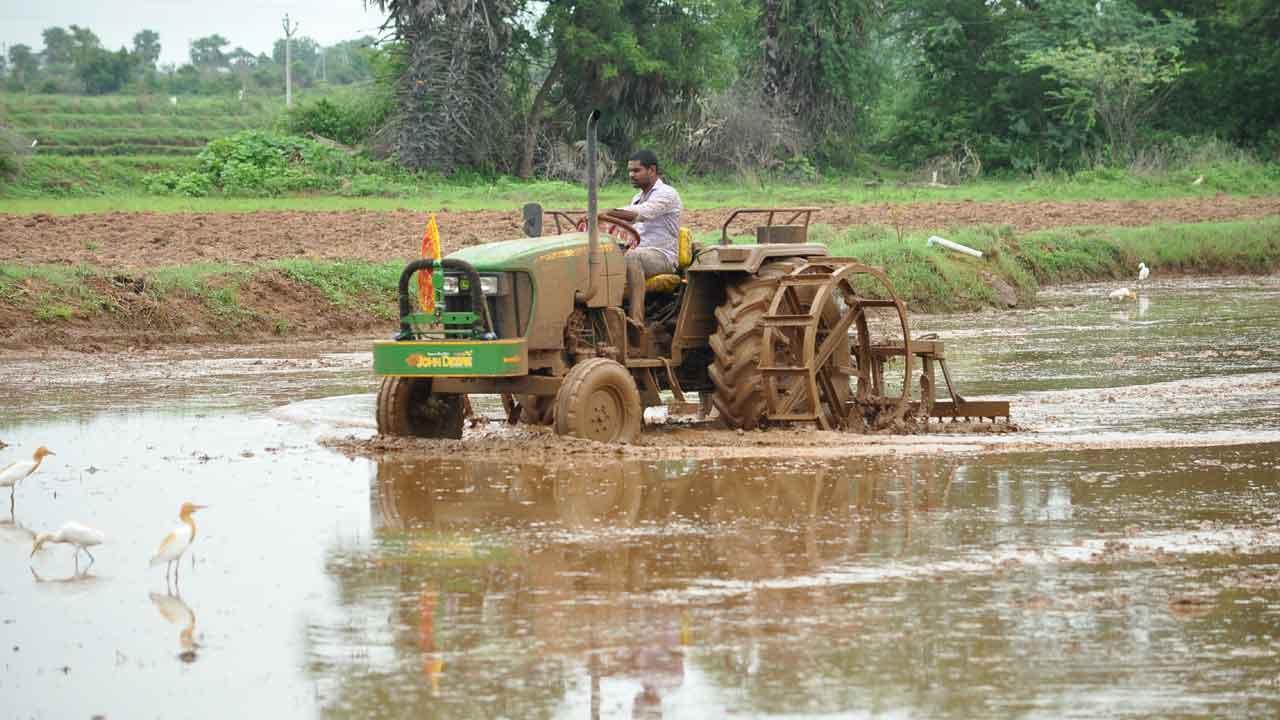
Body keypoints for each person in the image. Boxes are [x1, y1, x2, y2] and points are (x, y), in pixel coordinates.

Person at [603, 150, 683, 324]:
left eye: (636, 170)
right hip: (640, 251)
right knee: (604, 254)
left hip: (662, 256)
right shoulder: (637, 198)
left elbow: (643, 213)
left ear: (652, 170)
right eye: (630, 171)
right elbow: (628, 227)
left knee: (632, 256)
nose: (631, 175)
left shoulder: (667, 194)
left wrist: (610, 213)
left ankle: (635, 321)